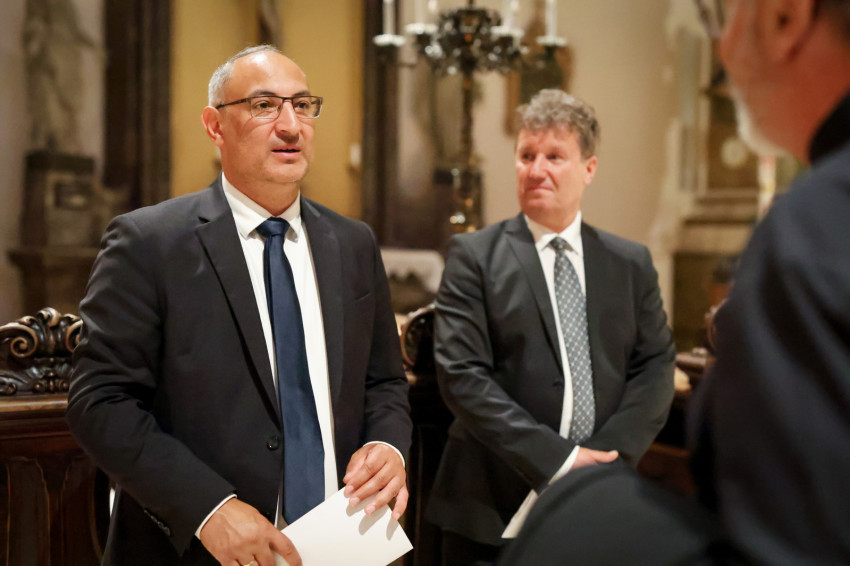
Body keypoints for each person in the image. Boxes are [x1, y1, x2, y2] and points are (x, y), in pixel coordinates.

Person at [499, 1, 850, 564]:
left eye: (724, 18)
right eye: (526, 155)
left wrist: (594, 483)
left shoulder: (815, 226)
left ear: (786, 17)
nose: (722, 49)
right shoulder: (483, 254)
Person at [66, 45, 412, 566]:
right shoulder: (149, 242)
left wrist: (388, 447)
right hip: (197, 549)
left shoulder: (353, 242)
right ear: (215, 125)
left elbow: (383, 381)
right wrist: (208, 509)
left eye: (302, 105)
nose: (291, 126)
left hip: (342, 544)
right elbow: (100, 402)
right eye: (264, 105)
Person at [425, 88, 677, 565]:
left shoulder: (630, 262)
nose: (536, 169)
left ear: (589, 168)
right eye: (526, 155)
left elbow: (655, 367)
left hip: (598, 504)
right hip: (492, 503)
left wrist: (602, 462)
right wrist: (559, 460)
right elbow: (462, 376)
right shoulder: (474, 256)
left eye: (555, 156)